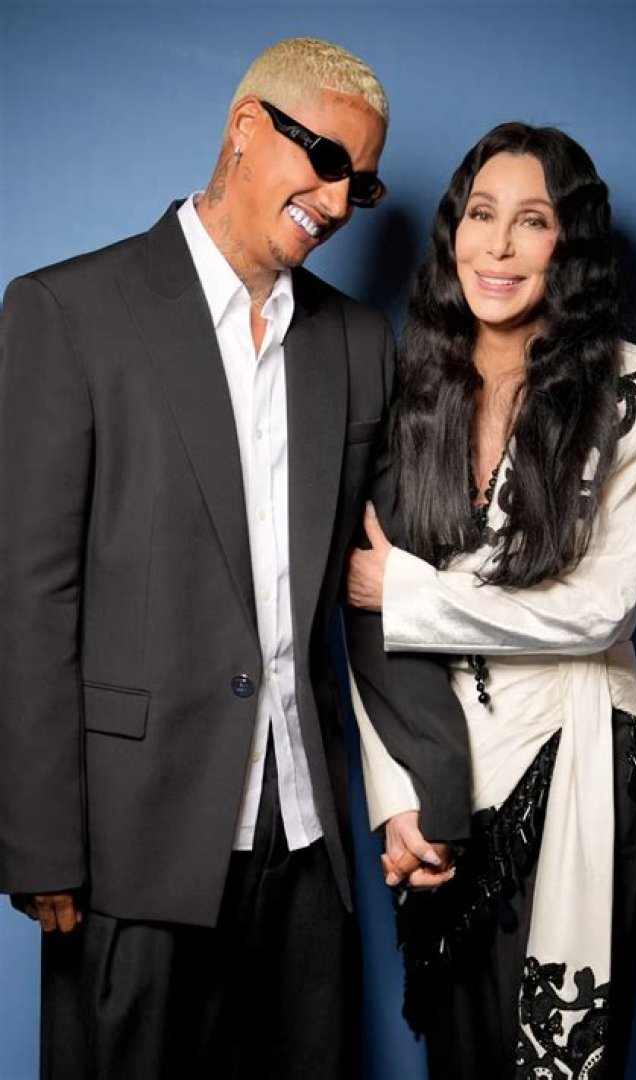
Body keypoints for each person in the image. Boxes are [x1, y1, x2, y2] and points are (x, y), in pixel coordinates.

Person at [0, 38, 472, 1080]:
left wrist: (427, 786)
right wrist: (38, 839)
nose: (340, 203)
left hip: (305, 845)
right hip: (131, 843)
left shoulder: (357, 343)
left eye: (362, 183)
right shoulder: (68, 311)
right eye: (326, 161)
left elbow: (369, 594)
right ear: (246, 128)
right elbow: (30, 595)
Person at [347, 122, 636, 1078]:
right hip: (441, 775)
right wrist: (397, 801)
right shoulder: (406, 387)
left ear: (568, 244)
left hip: (581, 757)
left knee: (559, 1059)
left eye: (532, 221)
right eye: (481, 214)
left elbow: (599, 612)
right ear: (453, 230)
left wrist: (407, 589)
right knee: (459, 1058)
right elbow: (361, 622)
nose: (497, 246)